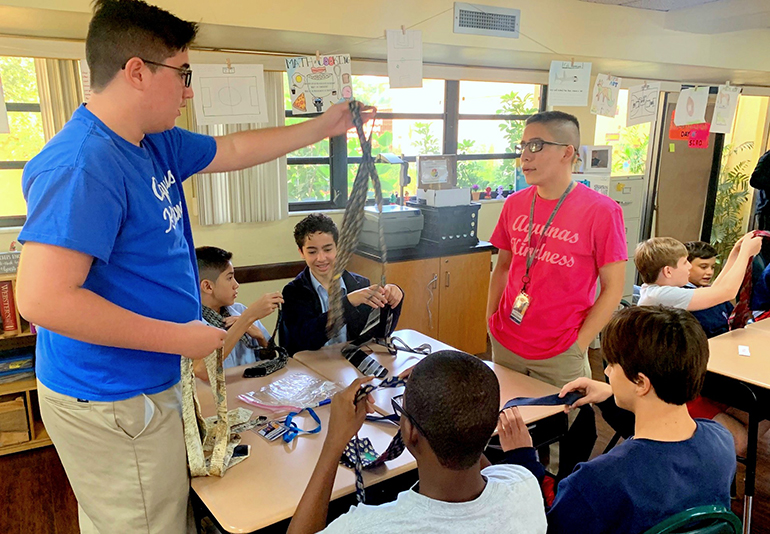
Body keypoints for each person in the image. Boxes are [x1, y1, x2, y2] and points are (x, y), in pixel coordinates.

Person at [13, 1, 374, 532]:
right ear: (136, 71)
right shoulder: (83, 163)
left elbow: (232, 148)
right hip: (111, 393)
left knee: (163, 510)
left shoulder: (151, 141)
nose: (187, 90)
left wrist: (324, 127)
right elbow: (43, 300)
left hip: (146, 380)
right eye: (181, 73)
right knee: (143, 522)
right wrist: (180, 339)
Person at [501, 306, 736, 534]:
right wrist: (610, 397)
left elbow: (544, 526)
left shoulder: (598, 480)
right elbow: (657, 452)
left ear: (641, 383)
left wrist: (522, 461)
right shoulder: (721, 442)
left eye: (613, 364)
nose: (607, 372)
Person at [287, 350, 547, 534]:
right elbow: (470, 439)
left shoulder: (365, 528)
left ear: (409, 432)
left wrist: (334, 443)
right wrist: (444, 391)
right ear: (491, 427)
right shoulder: (524, 486)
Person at [487, 111, 627, 389]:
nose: (525, 156)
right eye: (523, 146)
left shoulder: (602, 211)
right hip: (506, 340)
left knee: (559, 428)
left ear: (567, 152)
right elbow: (503, 267)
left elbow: (613, 288)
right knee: (507, 421)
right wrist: (490, 320)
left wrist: (579, 344)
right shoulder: (515, 203)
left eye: (536, 145)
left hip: (560, 351)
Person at [635, 235, 761, 455]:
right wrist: (746, 255)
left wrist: (736, 253)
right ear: (668, 271)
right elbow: (727, 292)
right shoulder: (662, 296)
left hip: (681, 379)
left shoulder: (660, 291)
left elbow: (716, 290)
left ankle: (718, 449)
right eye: (685, 263)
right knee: (742, 441)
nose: (688, 267)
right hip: (670, 390)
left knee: (756, 416)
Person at [281, 213, 403, 356]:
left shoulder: (359, 284)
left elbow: (378, 334)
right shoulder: (293, 292)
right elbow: (307, 340)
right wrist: (348, 303)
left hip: (348, 365)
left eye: (327, 250)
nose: (321, 258)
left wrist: (394, 300)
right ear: (301, 252)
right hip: (309, 369)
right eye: (312, 251)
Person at [196, 246, 283, 375]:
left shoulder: (239, 310)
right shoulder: (192, 324)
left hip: (252, 389)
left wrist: (260, 337)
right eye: (229, 278)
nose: (236, 284)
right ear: (208, 286)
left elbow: (273, 358)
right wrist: (246, 319)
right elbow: (202, 370)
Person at [682, 241, 734, 338]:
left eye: (712, 267)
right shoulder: (680, 296)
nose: (710, 272)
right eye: (703, 267)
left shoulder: (713, 292)